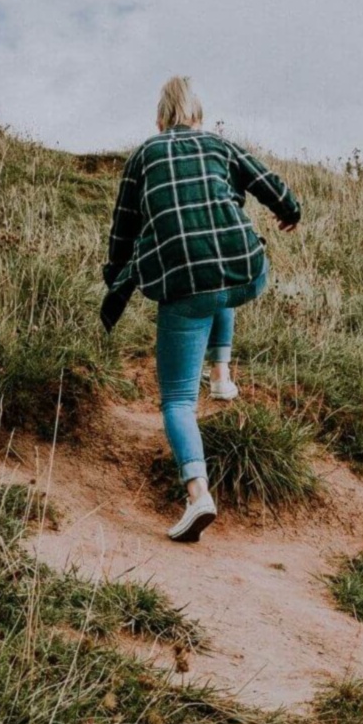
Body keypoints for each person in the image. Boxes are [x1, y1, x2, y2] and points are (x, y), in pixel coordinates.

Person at [101, 76, 303, 541]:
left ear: (159, 120)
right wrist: (290, 211)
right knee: (220, 277)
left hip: (183, 286)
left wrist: (115, 278)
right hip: (245, 271)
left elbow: (123, 227)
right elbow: (269, 184)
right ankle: (221, 373)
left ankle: (198, 495)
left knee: (176, 400)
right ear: (198, 116)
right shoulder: (219, 144)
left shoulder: (143, 156)